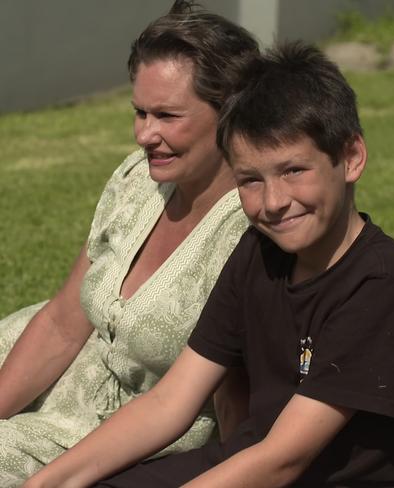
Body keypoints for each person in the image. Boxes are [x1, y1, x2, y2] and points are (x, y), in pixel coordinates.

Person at [25, 41, 394, 488]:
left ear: (350, 158)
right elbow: (169, 402)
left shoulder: (381, 286)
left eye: (293, 171)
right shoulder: (257, 252)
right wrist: (50, 481)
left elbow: (282, 460)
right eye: (250, 179)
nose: (274, 202)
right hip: (246, 463)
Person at [0, 2, 258, 485]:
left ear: (230, 113)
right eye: (139, 112)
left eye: (166, 115)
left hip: (114, 435)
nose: (144, 134)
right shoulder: (139, 178)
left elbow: (229, 399)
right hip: (46, 366)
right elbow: (61, 322)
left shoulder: (248, 229)